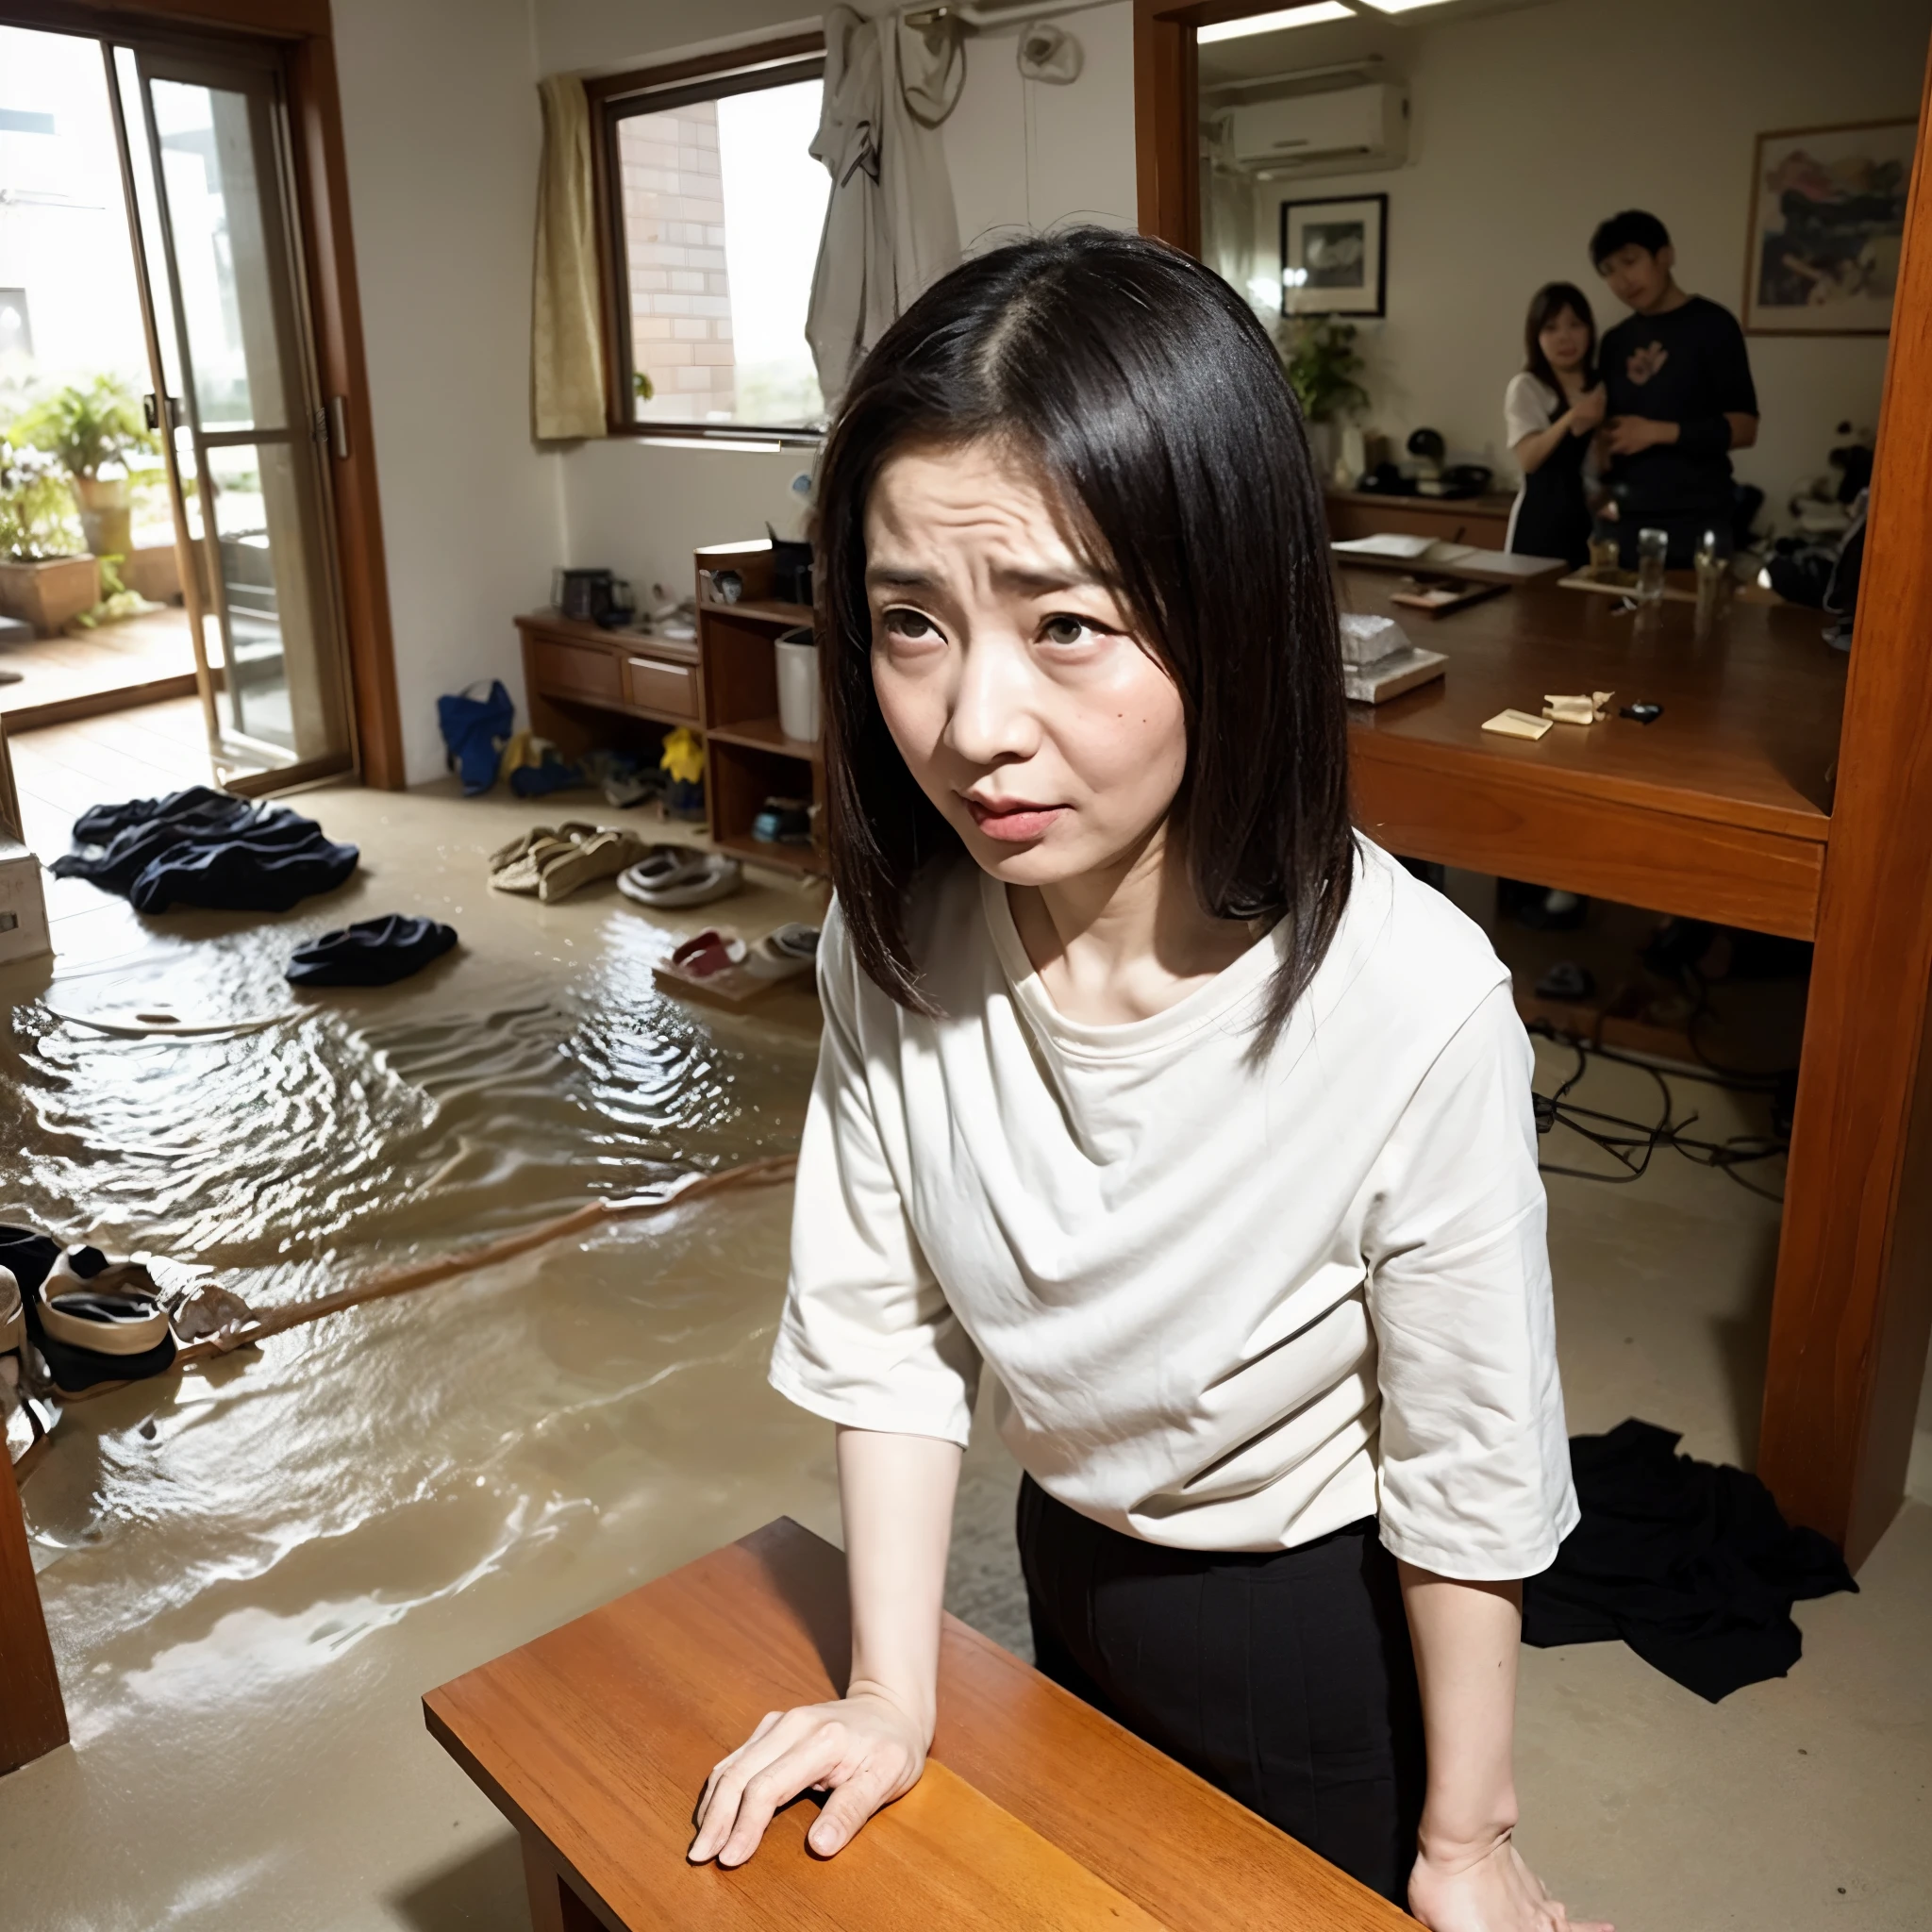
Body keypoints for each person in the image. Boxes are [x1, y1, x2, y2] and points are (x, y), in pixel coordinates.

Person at [689, 229, 1606, 1930]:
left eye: (1067, 624)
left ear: (1235, 608)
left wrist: (1465, 1839)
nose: (974, 722)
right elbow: (888, 1339)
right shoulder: (893, 940)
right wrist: (893, 1687)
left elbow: (1464, 1463)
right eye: (908, 623)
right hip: (1065, 1556)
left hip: (1313, 1633)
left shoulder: (1410, 1001)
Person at [1591, 209, 1759, 567]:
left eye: (1630, 262)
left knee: (1692, 620)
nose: (1622, 281)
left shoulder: (1714, 325)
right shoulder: (1614, 341)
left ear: (1665, 256)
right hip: (1623, 519)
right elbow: (1610, 431)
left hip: (1696, 518)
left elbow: (1745, 428)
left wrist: (1655, 432)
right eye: (1609, 272)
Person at [1505, 281, 1605, 568]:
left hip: (1587, 526)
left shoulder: (1602, 387)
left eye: (1575, 325)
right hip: (1538, 525)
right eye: (1551, 328)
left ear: (1589, 330)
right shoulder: (1527, 387)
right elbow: (1528, 458)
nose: (1565, 337)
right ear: (1535, 336)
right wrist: (1572, 418)